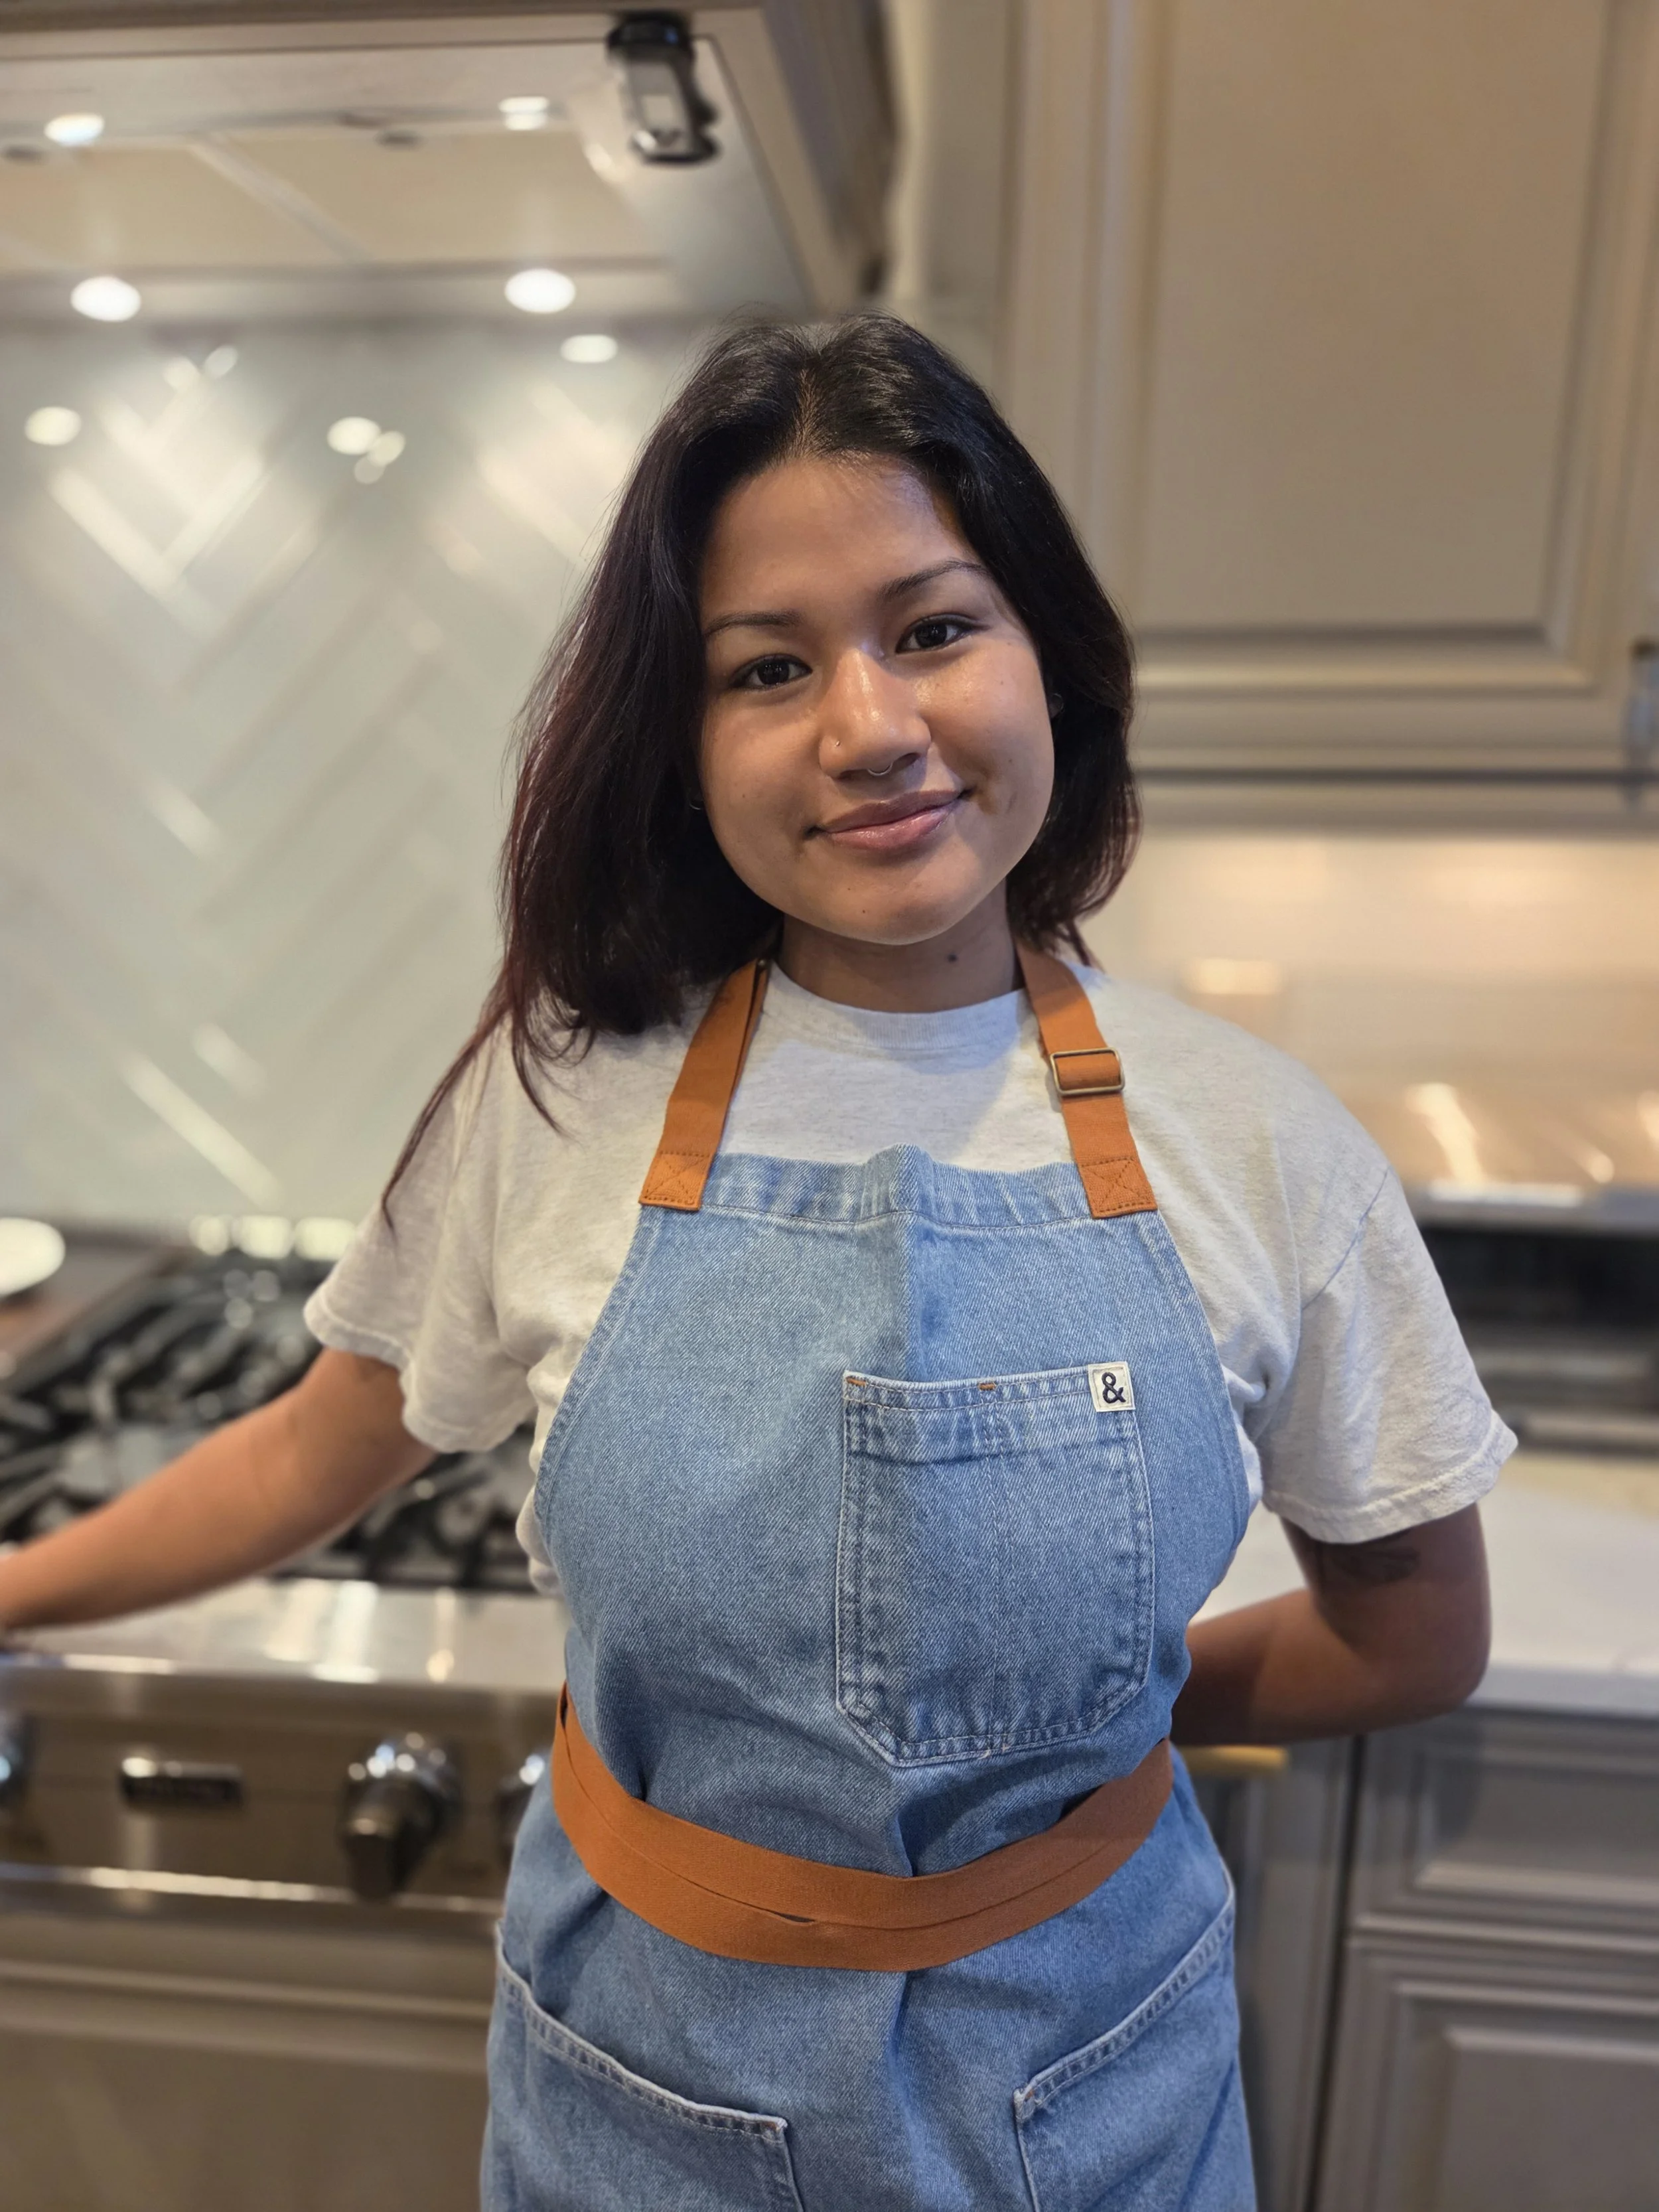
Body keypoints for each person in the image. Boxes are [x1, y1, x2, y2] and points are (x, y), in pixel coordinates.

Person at [0, 315, 1506, 2210]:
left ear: (1051, 652)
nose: (868, 725)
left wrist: (1078, 1702)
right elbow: (319, 1448)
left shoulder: (1261, 1141)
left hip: (1092, 2086)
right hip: (635, 2088)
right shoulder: (559, 1102)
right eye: (767, 665)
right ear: (681, 737)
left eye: (935, 625)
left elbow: (1411, 1627)